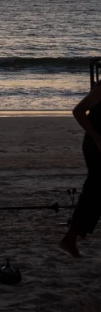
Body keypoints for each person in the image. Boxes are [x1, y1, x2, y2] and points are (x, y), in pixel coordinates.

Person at [59, 78, 101, 258]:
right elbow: (78, 111)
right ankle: (70, 238)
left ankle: (70, 238)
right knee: (94, 191)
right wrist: (97, 138)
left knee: (95, 192)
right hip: (96, 145)